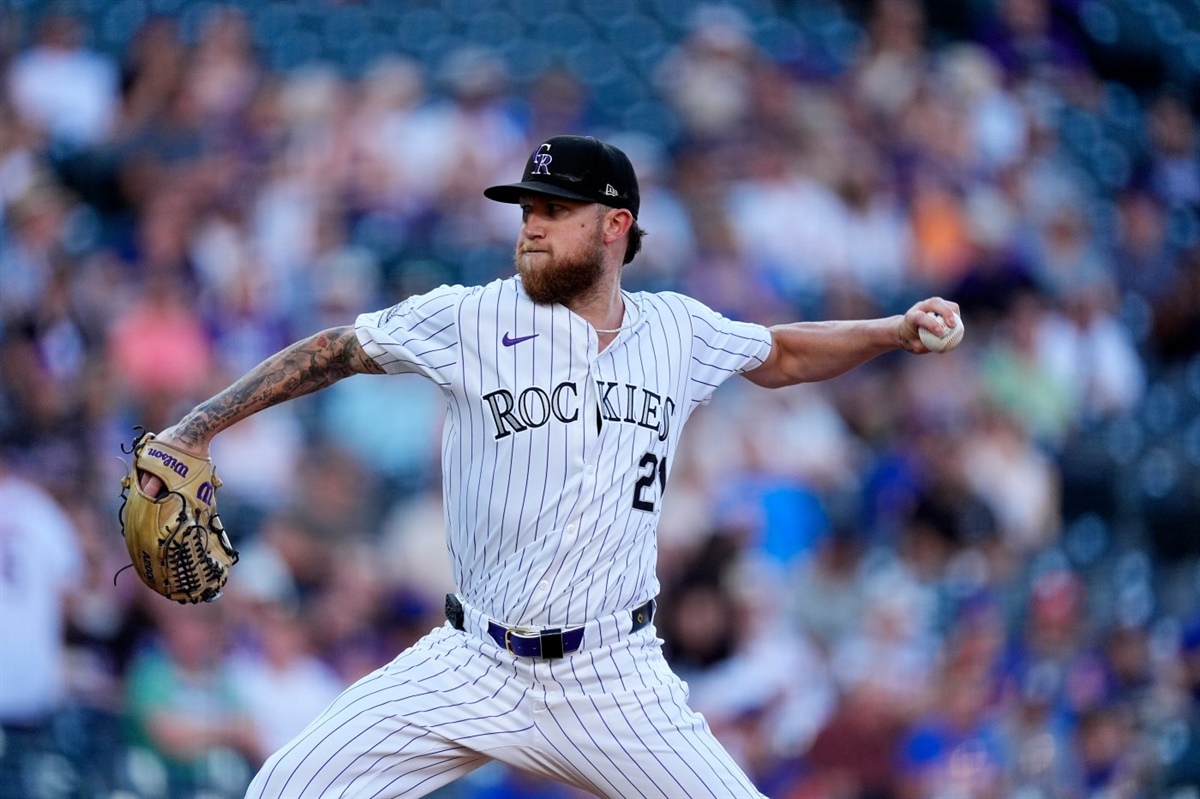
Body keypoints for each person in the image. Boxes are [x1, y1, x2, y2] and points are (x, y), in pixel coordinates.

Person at [138, 134, 962, 798]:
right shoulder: (470, 316)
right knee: (285, 787)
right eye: (526, 208)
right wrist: (199, 425)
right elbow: (338, 349)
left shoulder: (678, 330)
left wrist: (890, 328)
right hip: (472, 660)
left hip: (614, 674)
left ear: (615, 225)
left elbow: (780, 351)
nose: (531, 224)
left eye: (554, 209)